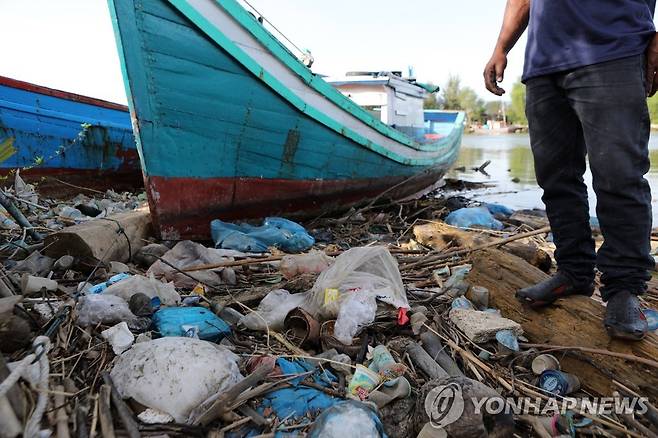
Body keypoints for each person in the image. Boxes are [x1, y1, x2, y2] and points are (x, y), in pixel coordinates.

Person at [484, 0, 656, 340]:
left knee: (618, 175)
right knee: (556, 177)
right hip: (543, 64)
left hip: (613, 51)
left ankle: (623, 288)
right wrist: (501, 47)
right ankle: (574, 271)